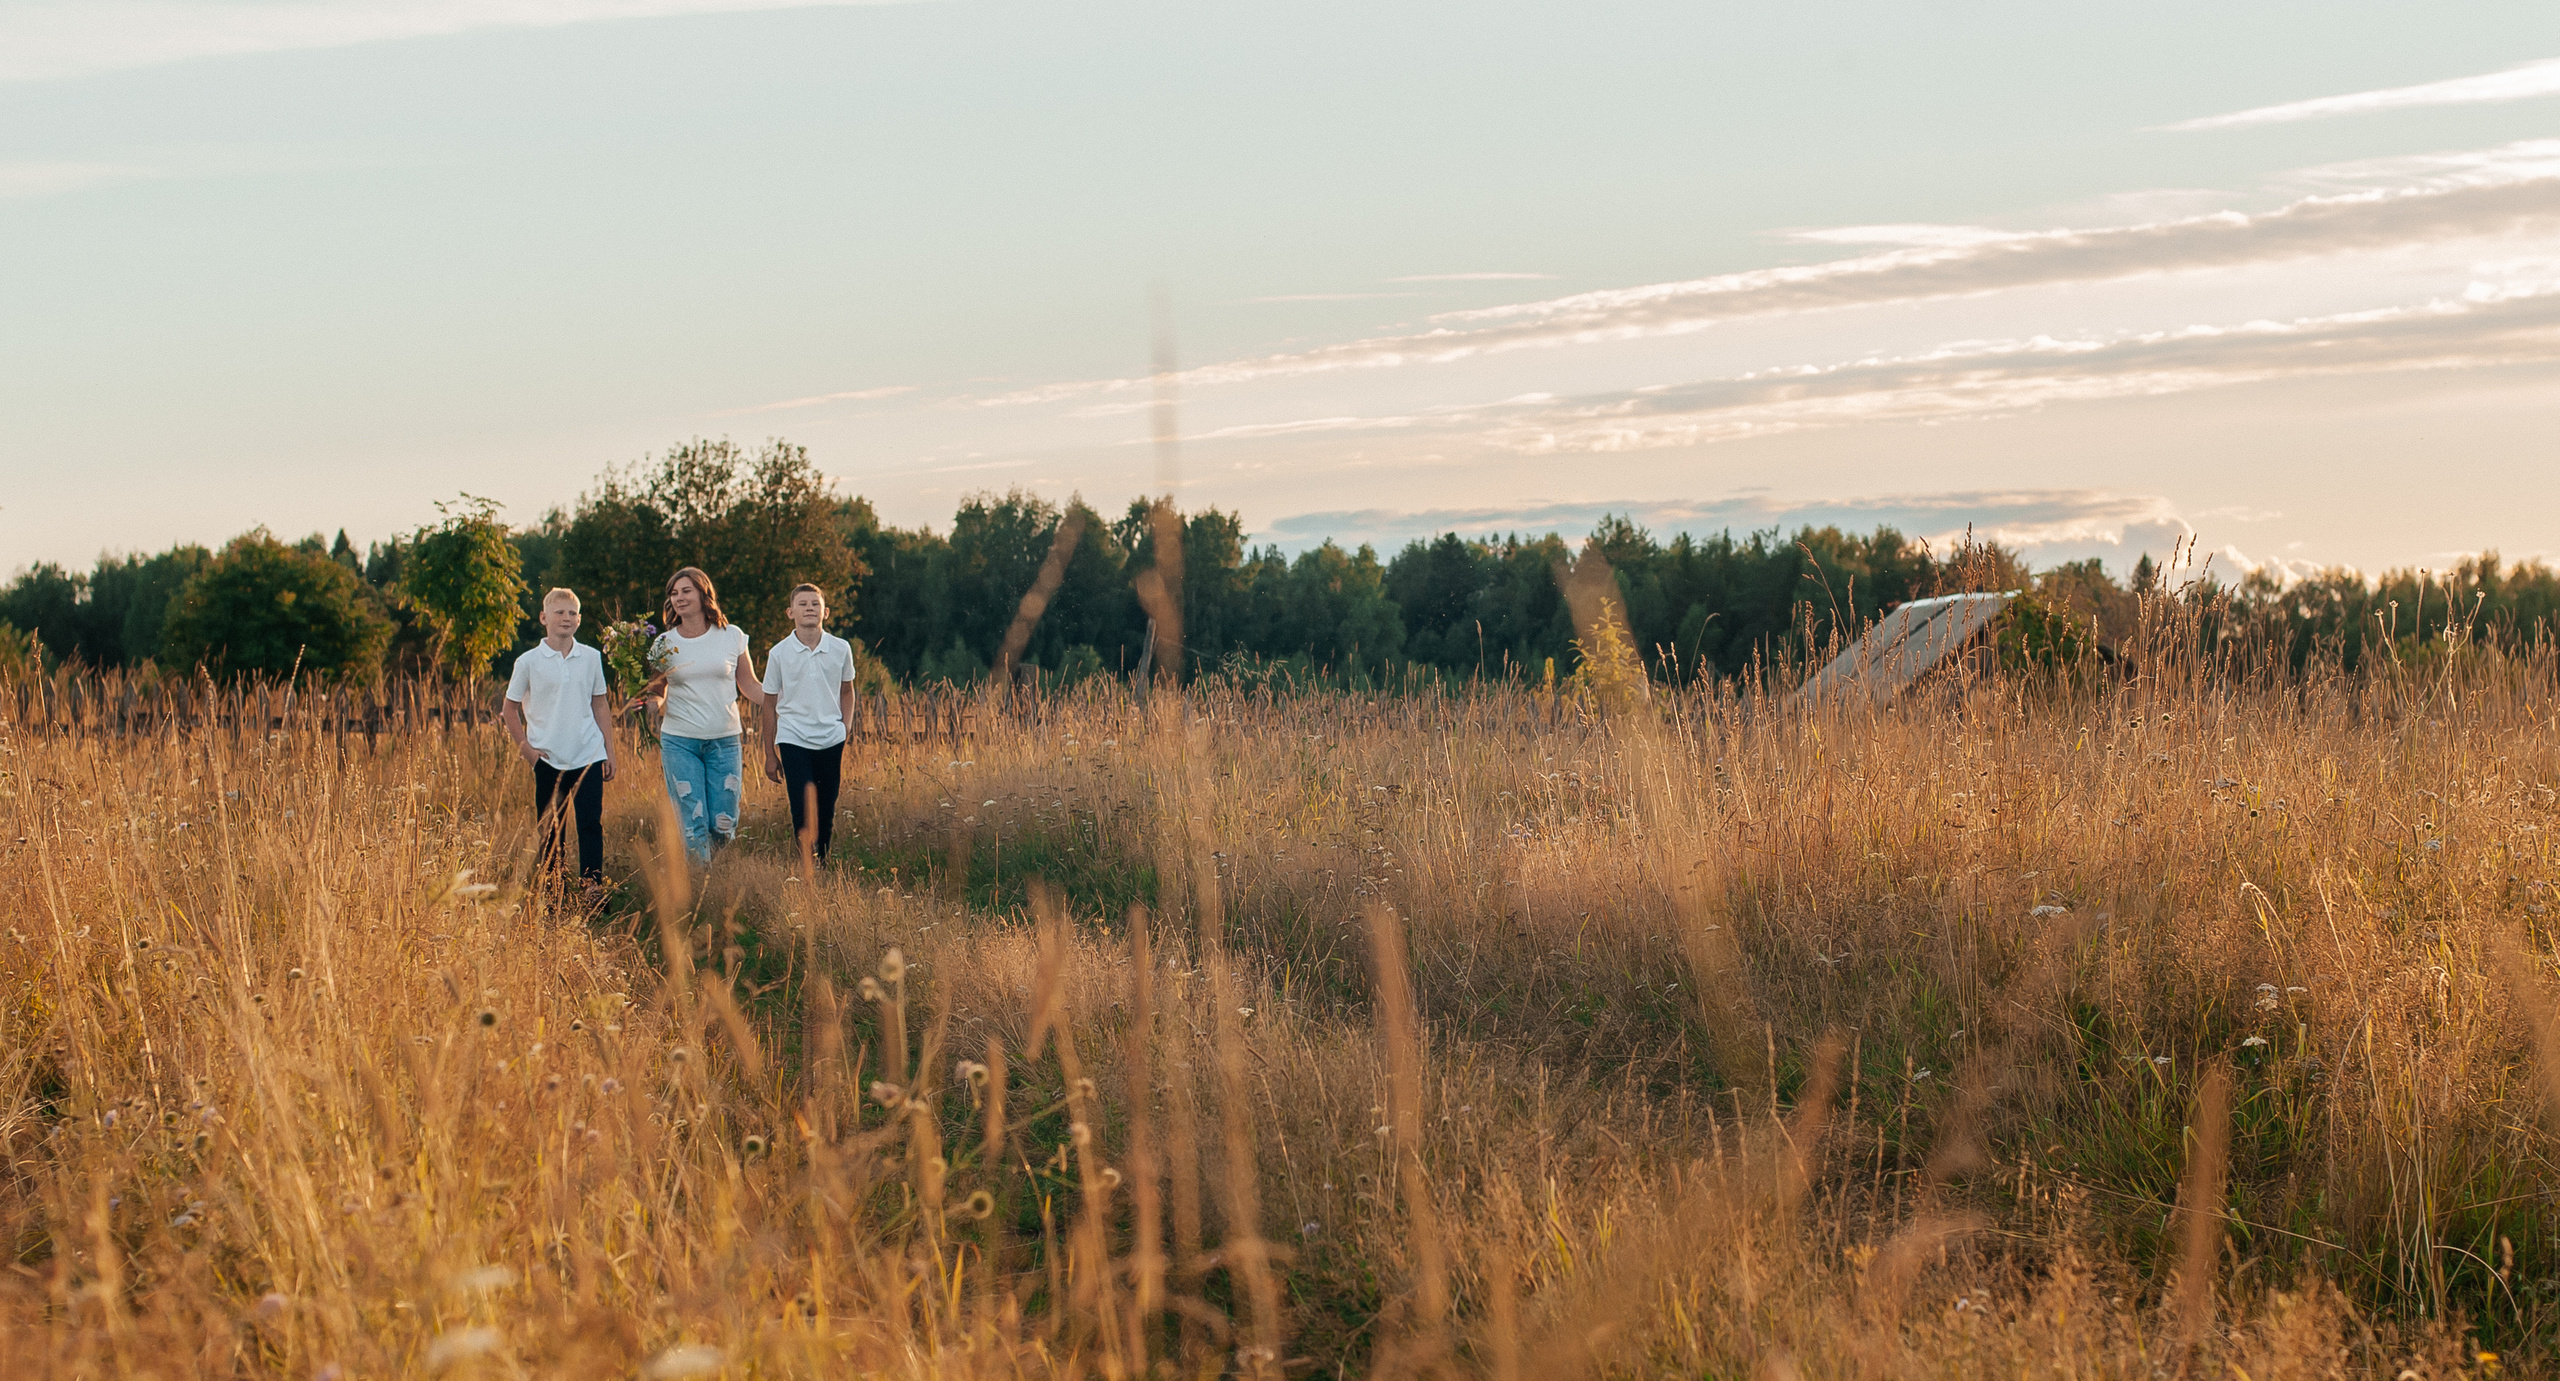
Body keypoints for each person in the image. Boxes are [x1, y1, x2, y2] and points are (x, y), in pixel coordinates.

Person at [644, 566, 766, 864]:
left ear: (703, 594)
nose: (679, 598)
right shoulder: (664, 643)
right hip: (680, 741)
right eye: (674, 593)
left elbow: (749, 684)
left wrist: (784, 702)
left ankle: (715, 869)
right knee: (692, 821)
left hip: (725, 741)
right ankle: (701, 880)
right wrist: (651, 704)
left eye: (686, 591)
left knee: (724, 823)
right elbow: (657, 690)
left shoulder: (731, 636)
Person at [501, 588, 618, 889]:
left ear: (579, 620)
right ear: (544, 618)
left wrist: (609, 751)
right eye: (559, 612)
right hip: (548, 759)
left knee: (590, 824)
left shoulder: (591, 657)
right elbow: (509, 709)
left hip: (588, 755)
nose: (566, 618)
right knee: (551, 830)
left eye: (572, 613)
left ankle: (592, 891)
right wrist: (528, 752)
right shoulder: (528, 662)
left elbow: (600, 704)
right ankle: (554, 895)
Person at [761, 583, 858, 865]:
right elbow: (768, 703)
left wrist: (845, 726)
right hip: (793, 737)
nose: (809, 609)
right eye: (802, 604)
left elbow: (847, 691)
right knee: (802, 802)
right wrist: (769, 754)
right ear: (790, 612)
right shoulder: (779, 653)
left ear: (825, 612)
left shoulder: (840, 648)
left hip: (831, 737)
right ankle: (807, 859)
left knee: (826, 802)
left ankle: (822, 859)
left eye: (815, 604)